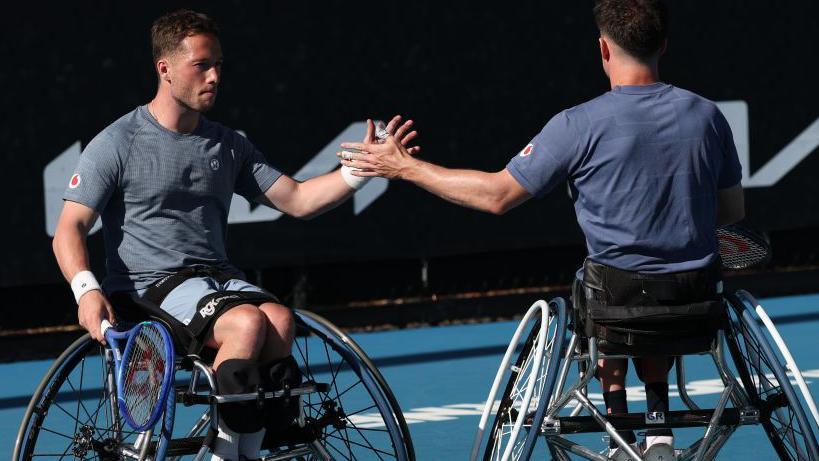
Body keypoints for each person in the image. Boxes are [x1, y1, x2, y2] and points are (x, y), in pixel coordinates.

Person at [338, 0, 744, 459]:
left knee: (609, 287)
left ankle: (620, 431)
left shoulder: (577, 124)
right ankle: (659, 427)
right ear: (664, 46)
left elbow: (497, 196)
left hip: (614, 299)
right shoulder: (708, 115)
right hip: (696, 300)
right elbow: (729, 211)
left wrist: (405, 168)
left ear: (603, 50)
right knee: (652, 286)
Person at [51, 9, 418, 461]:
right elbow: (69, 227)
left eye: (219, 64)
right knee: (246, 323)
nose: (215, 76)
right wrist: (85, 290)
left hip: (214, 281)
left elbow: (299, 199)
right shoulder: (118, 142)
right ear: (165, 70)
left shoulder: (228, 144)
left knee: (281, 319)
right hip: (146, 289)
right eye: (201, 65)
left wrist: (361, 171)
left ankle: (247, 448)